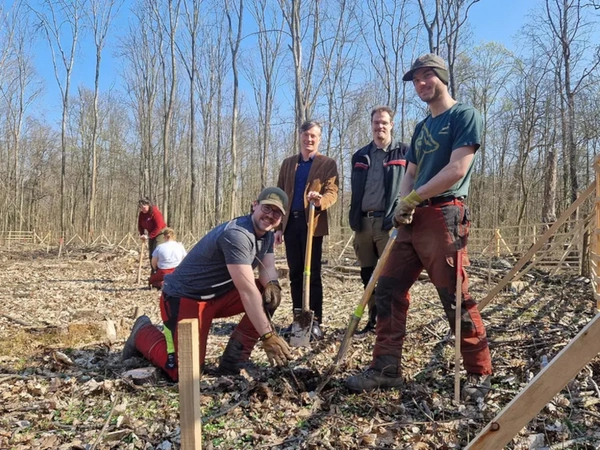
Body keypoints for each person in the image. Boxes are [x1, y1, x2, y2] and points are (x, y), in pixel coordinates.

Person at [345, 54, 493, 401]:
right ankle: (386, 368)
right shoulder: (422, 127)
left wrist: (415, 198)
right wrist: (402, 203)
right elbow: (410, 173)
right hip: (411, 218)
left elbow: (458, 169)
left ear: (442, 77)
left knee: (454, 296)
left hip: (444, 214)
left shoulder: (464, 116)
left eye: (427, 77)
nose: (421, 84)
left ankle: (478, 371)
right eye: (416, 80)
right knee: (387, 289)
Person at [123, 187, 293, 380]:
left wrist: (273, 284)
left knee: (269, 294)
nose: (270, 215)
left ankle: (235, 359)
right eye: (267, 208)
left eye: (277, 212)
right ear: (255, 206)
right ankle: (141, 332)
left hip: (218, 296)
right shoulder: (237, 234)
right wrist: (268, 336)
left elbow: (268, 267)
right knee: (186, 372)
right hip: (186, 297)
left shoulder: (268, 234)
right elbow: (247, 290)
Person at [276, 120, 339, 340]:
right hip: (290, 224)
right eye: (306, 135)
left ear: (319, 138)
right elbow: (280, 196)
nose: (309, 139)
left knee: (311, 274)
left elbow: (333, 191)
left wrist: (321, 200)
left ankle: (316, 321)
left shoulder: (327, 163)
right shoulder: (288, 164)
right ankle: (298, 321)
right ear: (300, 136)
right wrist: (277, 227)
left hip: (312, 225)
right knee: (294, 274)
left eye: (313, 136)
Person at [349, 106, 409, 336]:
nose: (379, 127)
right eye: (376, 123)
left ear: (391, 124)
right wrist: (353, 217)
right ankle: (373, 321)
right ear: (371, 125)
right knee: (368, 275)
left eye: (384, 122)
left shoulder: (403, 152)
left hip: (388, 224)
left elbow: (413, 183)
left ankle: (389, 323)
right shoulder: (360, 156)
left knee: (387, 276)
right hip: (363, 223)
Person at [138, 197, 168, 269]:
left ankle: (159, 272)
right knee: (151, 254)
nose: (143, 208)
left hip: (161, 233)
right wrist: (142, 234)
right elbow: (140, 225)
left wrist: (149, 236)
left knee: (156, 252)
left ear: (148, 205)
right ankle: (153, 272)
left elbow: (159, 226)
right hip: (151, 233)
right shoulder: (142, 214)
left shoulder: (155, 212)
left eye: (144, 206)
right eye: (141, 207)